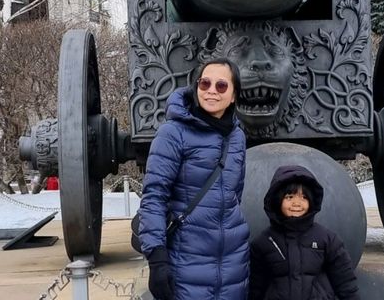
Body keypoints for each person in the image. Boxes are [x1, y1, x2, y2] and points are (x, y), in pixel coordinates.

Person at [137, 58, 250, 300]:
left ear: (233, 96)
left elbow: (234, 194)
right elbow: (154, 197)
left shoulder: (237, 137)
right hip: (187, 256)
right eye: (205, 83)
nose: (211, 91)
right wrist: (157, 258)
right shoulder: (173, 133)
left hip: (231, 259)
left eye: (221, 86)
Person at [249, 165, 360, 300]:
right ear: (278, 200)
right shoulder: (264, 242)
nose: (297, 203)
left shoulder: (327, 239)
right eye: (289, 197)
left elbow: (345, 281)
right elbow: (255, 286)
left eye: (303, 197)